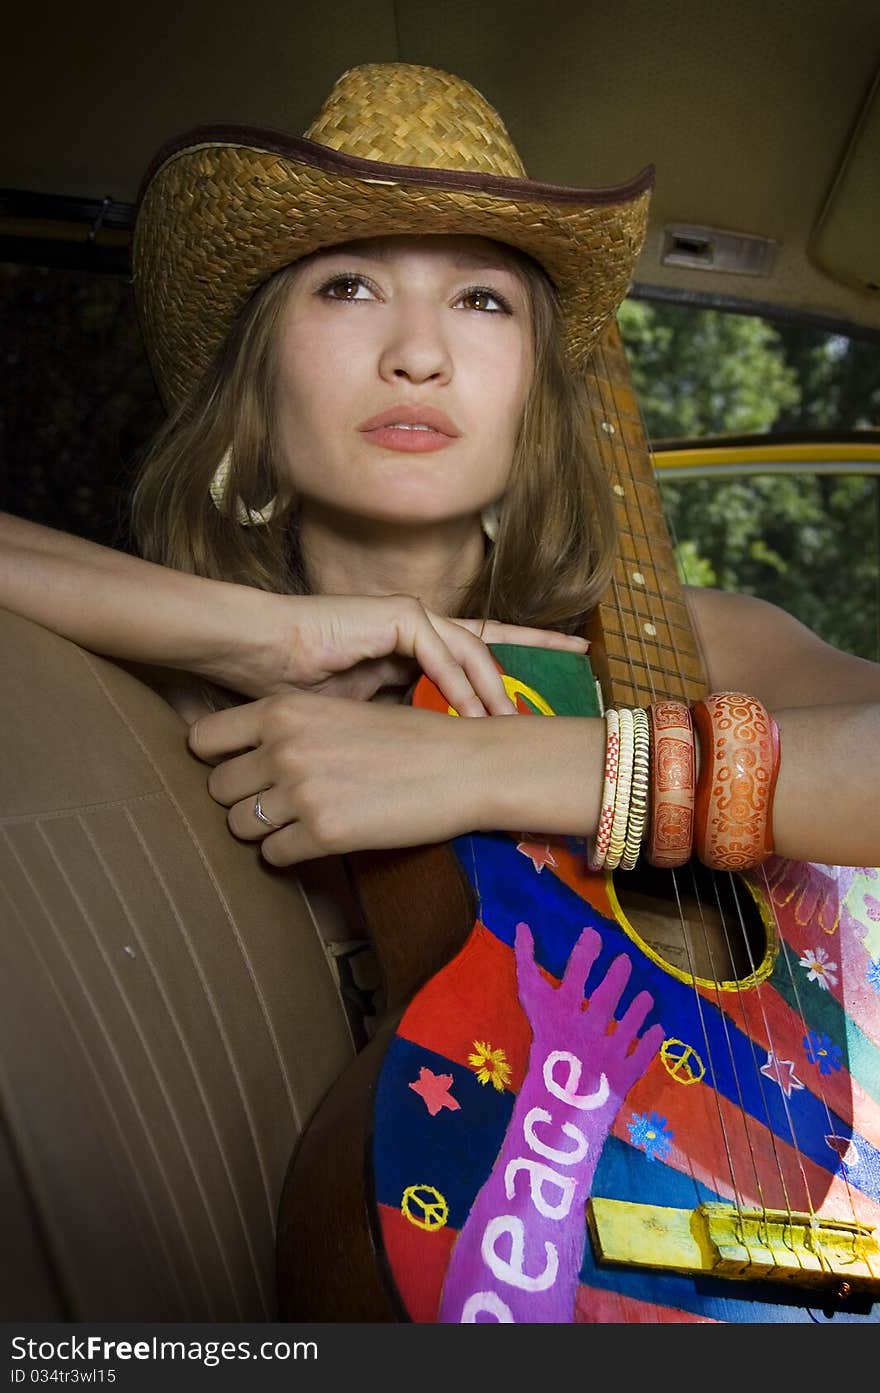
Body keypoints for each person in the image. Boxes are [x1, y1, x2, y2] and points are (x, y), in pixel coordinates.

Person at [1, 59, 878, 886]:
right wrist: (267, 635)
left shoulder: (682, 651)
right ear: (256, 385)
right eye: (348, 287)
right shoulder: (143, 681)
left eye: (481, 299)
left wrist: (490, 764)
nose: (419, 355)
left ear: (533, 393)